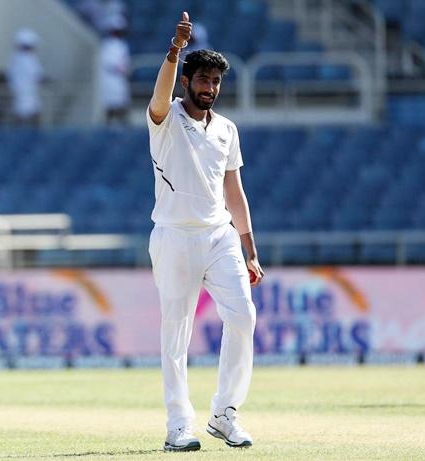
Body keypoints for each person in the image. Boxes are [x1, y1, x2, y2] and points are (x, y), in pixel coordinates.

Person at [146, 12, 265, 452]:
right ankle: (179, 425)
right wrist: (175, 51)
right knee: (175, 333)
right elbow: (159, 96)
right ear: (186, 82)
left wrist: (250, 248)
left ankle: (225, 413)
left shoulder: (227, 130)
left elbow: (235, 191)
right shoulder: (166, 119)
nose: (209, 88)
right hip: (174, 236)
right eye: (203, 79)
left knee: (243, 317)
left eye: (216, 81)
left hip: (219, 236)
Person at [7, 28, 46, 126]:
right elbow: (38, 75)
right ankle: (33, 137)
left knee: (24, 114)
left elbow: (10, 76)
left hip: (19, 92)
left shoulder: (14, 58)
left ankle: (20, 137)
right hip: (27, 92)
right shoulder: (29, 58)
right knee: (29, 116)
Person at [100, 16, 131, 124]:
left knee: (122, 107)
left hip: (120, 80)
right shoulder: (106, 45)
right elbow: (107, 63)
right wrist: (119, 68)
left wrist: (123, 69)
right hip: (110, 80)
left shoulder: (123, 45)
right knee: (109, 108)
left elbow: (125, 63)